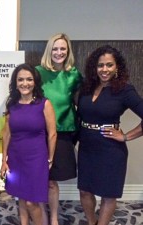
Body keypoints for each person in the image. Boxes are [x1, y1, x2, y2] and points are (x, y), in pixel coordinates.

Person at [77, 45, 143, 225]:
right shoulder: (87, 87)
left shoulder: (124, 90)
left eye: (109, 65)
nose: (104, 70)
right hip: (87, 147)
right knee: (85, 190)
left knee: (108, 194)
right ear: (94, 67)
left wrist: (126, 136)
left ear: (117, 67)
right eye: (100, 65)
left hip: (111, 150)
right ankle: (92, 222)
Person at [0, 63, 57, 225]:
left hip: (36, 159)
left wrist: (50, 158)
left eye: (29, 79)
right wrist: (4, 160)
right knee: (22, 198)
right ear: (15, 83)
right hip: (16, 158)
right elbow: (7, 133)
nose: (25, 83)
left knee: (32, 202)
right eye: (21, 79)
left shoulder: (44, 104)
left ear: (35, 82)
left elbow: (52, 134)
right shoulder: (12, 105)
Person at [35, 33, 83, 225]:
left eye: (63, 48)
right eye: (55, 48)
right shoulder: (37, 72)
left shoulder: (74, 75)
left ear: (68, 51)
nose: (59, 52)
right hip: (38, 132)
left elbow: (85, 101)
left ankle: (53, 217)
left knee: (53, 180)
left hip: (62, 133)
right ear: (49, 50)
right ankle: (43, 217)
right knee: (40, 179)